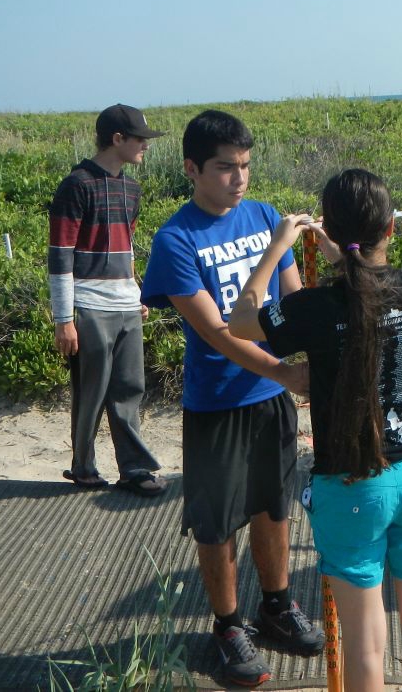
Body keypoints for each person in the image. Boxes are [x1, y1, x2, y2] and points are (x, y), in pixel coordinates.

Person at [228, 169, 402, 692]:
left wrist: (276, 249)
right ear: (390, 227)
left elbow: (241, 323)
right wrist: (341, 254)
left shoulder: (313, 310)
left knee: (366, 638)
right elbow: (372, 293)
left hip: (352, 483)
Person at [140, 109, 323, 688]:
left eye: (244, 166)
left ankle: (277, 605)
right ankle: (227, 626)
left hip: (273, 397)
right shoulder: (175, 240)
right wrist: (288, 374)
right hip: (217, 401)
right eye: (224, 168)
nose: (238, 178)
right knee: (217, 525)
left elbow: (293, 308)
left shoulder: (269, 218)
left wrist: (311, 360)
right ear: (192, 168)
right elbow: (217, 331)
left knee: (274, 507)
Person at [49, 103, 166, 496]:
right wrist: (64, 319)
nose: (145, 147)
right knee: (91, 392)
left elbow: (127, 246)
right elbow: (60, 255)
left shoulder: (132, 188)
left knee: (130, 389)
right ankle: (83, 467)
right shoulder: (76, 185)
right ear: (118, 139)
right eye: (140, 140)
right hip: (89, 307)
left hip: (125, 305)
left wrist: (136, 292)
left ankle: (134, 470)